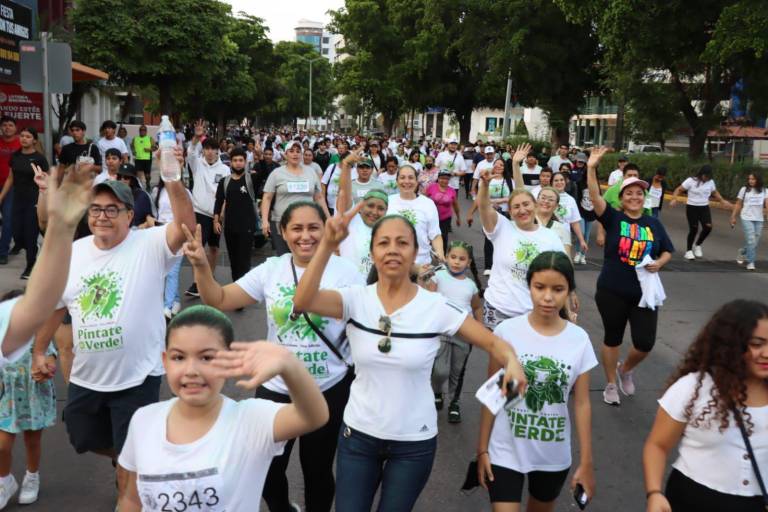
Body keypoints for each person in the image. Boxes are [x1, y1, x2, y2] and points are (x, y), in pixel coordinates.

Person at [292, 211, 527, 512]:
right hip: (358, 436)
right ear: (372, 252)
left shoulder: (436, 306)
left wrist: (512, 360)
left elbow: (493, 342)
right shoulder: (354, 299)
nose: (392, 249)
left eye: (402, 243)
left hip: (413, 442)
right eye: (383, 243)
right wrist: (326, 245)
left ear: (415, 252)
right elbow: (303, 300)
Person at [31, 159, 195, 507]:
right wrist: (39, 350)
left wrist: (174, 180)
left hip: (138, 376)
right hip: (87, 377)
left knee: (127, 462)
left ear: (129, 215)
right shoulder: (74, 253)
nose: (102, 216)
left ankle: (129, 476)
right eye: (96, 209)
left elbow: (185, 226)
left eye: (112, 209)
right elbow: (57, 305)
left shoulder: (148, 244)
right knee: (80, 435)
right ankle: (131, 454)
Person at [184, 201, 362, 512]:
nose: (305, 236)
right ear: (282, 231)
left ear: (326, 231)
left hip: (328, 388)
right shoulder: (272, 269)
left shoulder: (349, 273)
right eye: (297, 228)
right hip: (276, 389)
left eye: (313, 228)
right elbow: (220, 298)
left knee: (317, 469)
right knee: (267, 470)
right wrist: (200, 265)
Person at [117, 305, 330, 512]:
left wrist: (288, 364)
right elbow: (132, 500)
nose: (191, 370)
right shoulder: (143, 420)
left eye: (206, 357)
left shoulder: (250, 420)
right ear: (165, 361)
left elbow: (313, 416)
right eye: (179, 357)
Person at [0, 165, 93, 506]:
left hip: (87, 292)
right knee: (64, 344)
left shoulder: (91, 218)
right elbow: (43, 222)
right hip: (53, 288)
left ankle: (78, 396)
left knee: (72, 345)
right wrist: (46, 196)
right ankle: (6, 480)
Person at [478, 251, 596, 512]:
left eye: (558, 289)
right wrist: (482, 449)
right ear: (529, 286)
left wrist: (586, 461)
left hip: (552, 455)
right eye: (539, 287)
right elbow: (493, 395)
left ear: (569, 292)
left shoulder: (579, 340)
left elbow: (582, 403)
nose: (547, 297)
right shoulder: (506, 332)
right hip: (505, 450)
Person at [643, 300, 768, 512]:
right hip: (694, 499)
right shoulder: (693, 388)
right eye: (757, 344)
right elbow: (657, 446)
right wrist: (654, 493)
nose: (766, 353)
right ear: (731, 345)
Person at [586, 147, 675, 406]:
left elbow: (668, 250)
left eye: (639, 193)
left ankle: (625, 369)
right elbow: (594, 195)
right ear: (621, 197)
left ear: (644, 198)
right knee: (612, 337)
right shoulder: (613, 218)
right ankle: (610, 384)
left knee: (645, 343)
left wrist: (660, 263)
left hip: (644, 293)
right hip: (612, 289)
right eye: (629, 193)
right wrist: (592, 168)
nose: (635, 197)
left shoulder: (653, 224)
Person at [476, 167, 566, 330]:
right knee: (500, 356)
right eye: (516, 207)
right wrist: (484, 185)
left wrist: (565, 306)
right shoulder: (501, 227)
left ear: (536, 206)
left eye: (526, 204)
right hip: (498, 310)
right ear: (510, 211)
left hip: (534, 314)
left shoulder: (550, 237)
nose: (522, 210)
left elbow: (563, 275)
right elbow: (484, 207)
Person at [0, 289, 57, 508]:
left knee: (32, 441)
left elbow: (50, 359)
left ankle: (32, 477)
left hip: (33, 396)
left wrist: (44, 370)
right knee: (2, 446)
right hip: (7, 398)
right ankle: (4, 481)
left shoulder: (37, 338)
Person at [427, 241, 482, 423]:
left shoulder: (470, 285)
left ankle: (454, 402)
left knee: (457, 371)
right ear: (447, 257)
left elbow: (476, 307)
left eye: (462, 259)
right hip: (441, 330)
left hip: (464, 333)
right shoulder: (438, 276)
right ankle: (436, 392)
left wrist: (479, 329)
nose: (456, 262)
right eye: (453, 257)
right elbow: (428, 298)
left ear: (469, 263)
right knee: (439, 370)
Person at [186, 120, 231, 297]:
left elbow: (226, 195)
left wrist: (220, 215)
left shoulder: (225, 170)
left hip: (216, 215)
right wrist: (197, 137)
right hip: (198, 213)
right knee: (198, 248)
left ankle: (209, 277)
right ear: (203, 151)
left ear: (218, 151)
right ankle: (197, 283)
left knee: (213, 247)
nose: (210, 152)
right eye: (207, 149)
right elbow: (190, 151)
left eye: (213, 149)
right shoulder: (197, 164)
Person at [263, 140, 329, 255]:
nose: (295, 154)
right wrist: (264, 221)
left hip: (307, 223)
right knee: (284, 259)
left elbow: (319, 197)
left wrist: (328, 218)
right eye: (291, 151)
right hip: (281, 222)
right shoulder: (276, 173)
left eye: (298, 151)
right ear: (286, 154)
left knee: (305, 257)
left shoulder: (311, 172)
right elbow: (267, 197)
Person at [3, 127, 49, 279]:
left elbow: (46, 180)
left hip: (34, 201)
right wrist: (1, 196)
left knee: (30, 234)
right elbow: (10, 178)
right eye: (22, 136)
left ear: (34, 140)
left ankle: (31, 265)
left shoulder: (40, 159)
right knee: (16, 233)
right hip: (17, 199)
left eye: (28, 136)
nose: (24, 139)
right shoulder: (15, 156)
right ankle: (32, 246)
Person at [336, 151, 388, 278]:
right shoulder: (353, 222)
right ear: (361, 207)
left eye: (380, 208)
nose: (374, 212)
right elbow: (345, 193)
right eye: (370, 206)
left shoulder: (387, 229)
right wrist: (347, 166)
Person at [213, 147, 259, 284]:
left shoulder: (251, 179)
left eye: (241, 160)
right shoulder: (224, 181)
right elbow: (218, 201)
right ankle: (236, 285)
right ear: (231, 163)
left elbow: (265, 172)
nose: (238, 163)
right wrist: (216, 221)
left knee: (244, 260)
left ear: (245, 162)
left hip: (247, 227)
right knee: (233, 260)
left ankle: (243, 289)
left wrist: (260, 156)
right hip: (230, 228)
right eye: (235, 160)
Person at [671, 165, 732, 260]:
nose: (706, 178)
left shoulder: (710, 182)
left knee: (708, 227)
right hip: (692, 207)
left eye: (708, 177)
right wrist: (674, 199)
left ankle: (698, 244)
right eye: (705, 176)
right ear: (701, 174)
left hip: (704, 207)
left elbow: (715, 192)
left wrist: (722, 201)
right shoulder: (691, 181)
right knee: (694, 229)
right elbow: (679, 189)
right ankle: (688, 251)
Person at [386, 164, 445, 265]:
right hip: (393, 263)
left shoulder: (428, 204)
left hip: (421, 264)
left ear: (417, 181)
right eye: (402, 178)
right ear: (397, 181)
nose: (407, 181)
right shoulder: (387, 201)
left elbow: (435, 234)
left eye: (411, 178)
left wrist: (440, 252)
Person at [151, 178, 192, 320]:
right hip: (161, 233)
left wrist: (186, 238)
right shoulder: (157, 191)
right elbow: (155, 212)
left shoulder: (184, 192)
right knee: (165, 271)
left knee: (173, 272)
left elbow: (189, 214)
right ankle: (175, 300)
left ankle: (167, 307)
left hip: (177, 233)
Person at [731, 172, 767, 271]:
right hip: (746, 217)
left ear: (758, 180)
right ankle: (751, 262)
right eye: (749, 179)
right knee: (751, 239)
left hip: (759, 218)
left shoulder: (765, 191)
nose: (750, 181)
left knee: (755, 241)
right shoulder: (744, 189)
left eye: (753, 179)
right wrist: (733, 216)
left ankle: (742, 252)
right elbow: (738, 204)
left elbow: (767, 205)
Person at [552, 171, 588, 258]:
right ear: (551, 183)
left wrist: (582, 240)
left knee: (564, 266)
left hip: (565, 238)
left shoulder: (570, 200)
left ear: (565, 182)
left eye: (561, 180)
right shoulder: (546, 197)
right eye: (556, 180)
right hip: (549, 237)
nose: (559, 182)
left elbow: (574, 222)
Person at [0, 116, 20, 265]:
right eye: (5, 125)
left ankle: (2, 252)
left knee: (7, 220)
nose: (7, 127)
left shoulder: (21, 142)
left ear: (15, 128)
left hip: (13, 188)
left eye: (10, 125)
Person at [425, 170, 460, 252]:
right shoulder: (431, 187)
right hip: (431, 217)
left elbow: (455, 205)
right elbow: (424, 199)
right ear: (438, 178)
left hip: (445, 218)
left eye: (446, 179)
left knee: (443, 236)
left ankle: (442, 255)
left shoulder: (452, 191)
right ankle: (428, 253)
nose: (444, 180)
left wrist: (458, 218)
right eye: (442, 178)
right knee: (429, 235)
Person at [116, 163, 153, 228]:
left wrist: (142, 227)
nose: (122, 180)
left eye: (126, 177)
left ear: (132, 180)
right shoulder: (112, 195)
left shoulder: (142, 196)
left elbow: (150, 219)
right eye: (119, 177)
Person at [131, 125, 154, 189]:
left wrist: (149, 149)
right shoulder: (135, 138)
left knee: (147, 175)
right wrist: (133, 151)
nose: (142, 131)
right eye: (141, 130)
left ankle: (148, 183)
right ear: (139, 131)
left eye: (144, 130)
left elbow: (155, 147)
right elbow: (132, 146)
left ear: (146, 131)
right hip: (138, 158)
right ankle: (139, 186)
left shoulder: (150, 138)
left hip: (147, 158)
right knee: (138, 174)